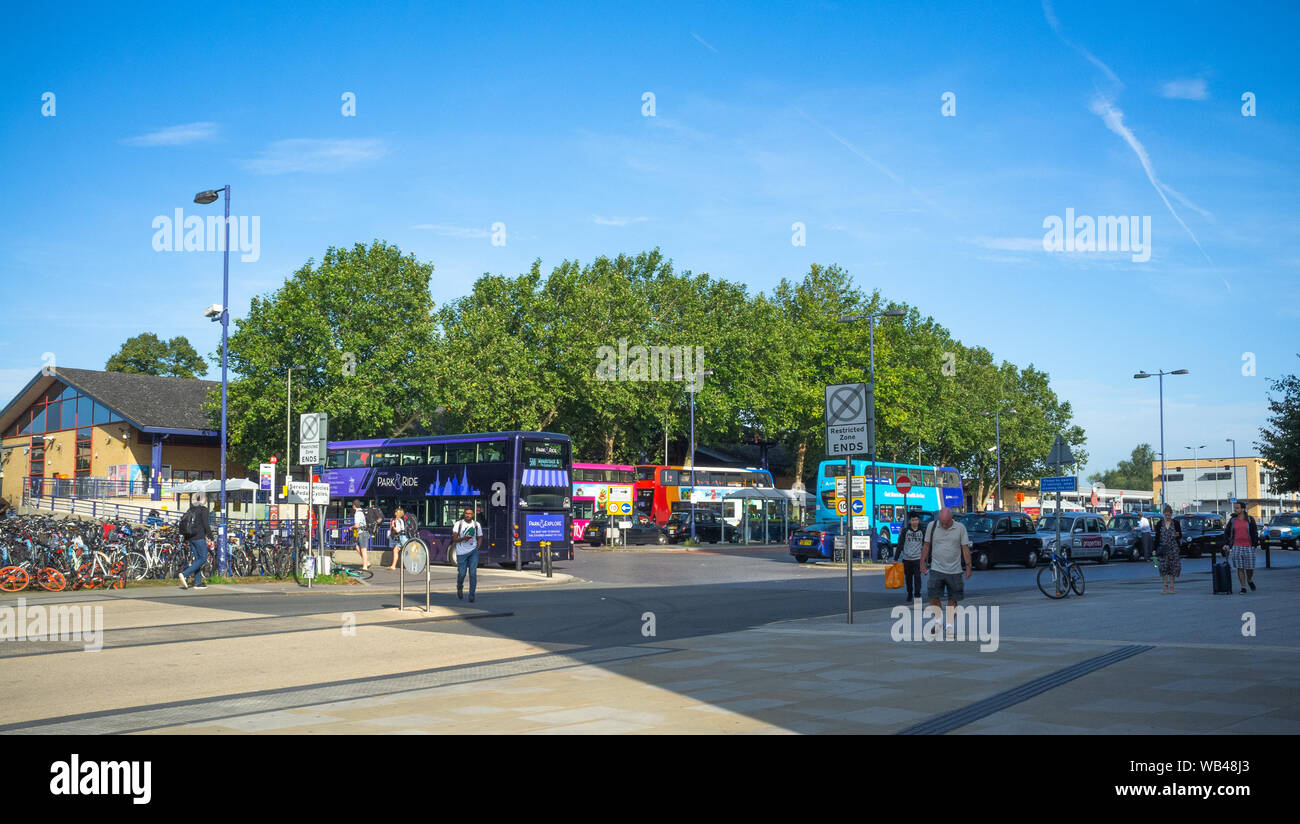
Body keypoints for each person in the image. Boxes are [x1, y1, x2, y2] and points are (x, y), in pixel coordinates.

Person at [920, 507, 972, 640]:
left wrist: (968, 566)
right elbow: (926, 545)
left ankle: (949, 626)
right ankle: (938, 622)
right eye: (941, 522)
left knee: (953, 599)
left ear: (952, 519)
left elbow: (965, 548)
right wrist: (922, 563)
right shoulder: (932, 526)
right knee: (933, 595)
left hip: (955, 570)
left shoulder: (960, 528)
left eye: (946, 523)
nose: (943, 525)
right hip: (936, 568)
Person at [177, 493, 214, 590]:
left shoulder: (191, 509)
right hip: (199, 537)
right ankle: (185, 574)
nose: (206, 499)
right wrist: (211, 537)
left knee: (197, 559)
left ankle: (197, 583)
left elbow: (186, 523)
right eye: (205, 498)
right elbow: (206, 524)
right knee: (203, 559)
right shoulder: (203, 509)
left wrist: (185, 539)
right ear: (202, 499)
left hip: (190, 537)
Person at [1222, 501, 1259, 594]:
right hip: (1236, 547)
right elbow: (1227, 532)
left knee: (1250, 568)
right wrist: (1226, 544)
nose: (1235, 509)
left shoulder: (1250, 520)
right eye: (1235, 508)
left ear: (1243, 509)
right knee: (1240, 568)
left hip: (1248, 547)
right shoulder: (1232, 520)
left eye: (1237, 508)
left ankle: (1249, 580)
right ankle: (1243, 587)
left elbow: (1254, 532)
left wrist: (1255, 544)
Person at [451, 507, 482, 602]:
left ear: (473, 515)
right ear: (464, 514)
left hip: (473, 552)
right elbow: (454, 539)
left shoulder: (476, 525)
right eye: (466, 513)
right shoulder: (458, 524)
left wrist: (477, 548)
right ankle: (459, 587)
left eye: (470, 513)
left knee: (473, 573)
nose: (468, 515)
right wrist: (464, 538)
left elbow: (480, 537)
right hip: (461, 553)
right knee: (462, 574)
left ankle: (471, 594)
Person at [897, 511, 926, 603]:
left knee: (917, 577)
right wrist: (895, 558)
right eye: (913, 520)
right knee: (908, 578)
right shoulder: (906, 531)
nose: (915, 522)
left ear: (919, 521)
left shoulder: (922, 531)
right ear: (910, 521)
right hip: (907, 559)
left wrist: (926, 559)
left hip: (918, 558)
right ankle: (910, 593)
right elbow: (900, 545)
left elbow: (926, 545)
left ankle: (917, 594)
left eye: (916, 520)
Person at [1154, 504, 1182, 593]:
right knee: (1163, 568)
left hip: (1173, 548)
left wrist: (1176, 534)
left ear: (1171, 514)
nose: (1167, 517)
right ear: (1163, 514)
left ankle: (1172, 587)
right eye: (1166, 515)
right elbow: (1157, 537)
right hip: (1163, 548)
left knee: (1173, 568)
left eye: (1169, 515)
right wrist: (1154, 549)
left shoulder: (1176, 523)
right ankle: (1165, 586)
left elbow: (1180, 535)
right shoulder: (1159, 524)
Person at [352, 500, 371, 570]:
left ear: (354, 506)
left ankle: (365, 566)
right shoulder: (362, 511)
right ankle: (367, 562)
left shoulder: (357, 513)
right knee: (357, 547)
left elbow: (356, 526)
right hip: (364, 532)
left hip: (362, 532)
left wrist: (351, 527)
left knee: (363, 550)